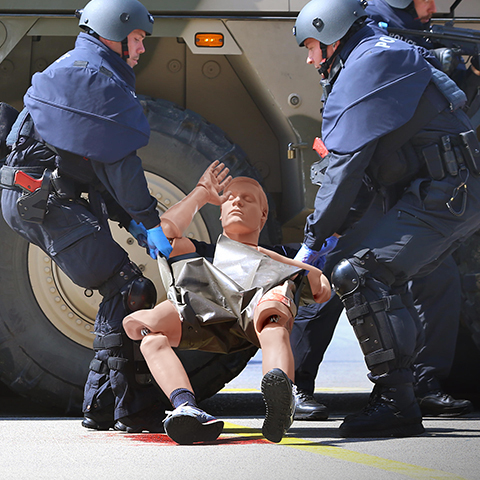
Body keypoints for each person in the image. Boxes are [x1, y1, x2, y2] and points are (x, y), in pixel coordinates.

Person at [292, 0, 480, 437]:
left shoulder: (367, 62)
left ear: (333, 35)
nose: (308, 57)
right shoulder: (376, 50)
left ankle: (397, 404)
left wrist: (313, 239)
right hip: (447, 191)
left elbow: (345, 166)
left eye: (312, 46)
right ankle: (403, 392)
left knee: (359, 274)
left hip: (444, 194)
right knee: (383, 277)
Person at [0, 0, 173, 432]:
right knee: (129, 288)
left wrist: (128, 218)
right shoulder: (95, 77)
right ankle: (130, 410)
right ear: (113, 33)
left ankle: (101, 407)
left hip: (37, 195)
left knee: (121, 285)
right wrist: (149, 220)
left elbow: (90, 166)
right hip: (42, 198)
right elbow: (120, 166)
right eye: (136, 39)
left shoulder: (83, 67)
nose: (140, 50)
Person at [123, 161, 331, 444]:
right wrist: (201, 193)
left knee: (274, 311)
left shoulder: (281, 256)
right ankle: (187, 407)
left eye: (247, 199)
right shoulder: (206, 252)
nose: (236, 203)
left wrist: (297, 267)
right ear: (220, 214)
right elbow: (166, 232)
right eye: (229, 199)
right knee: (150, 334)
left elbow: (321, 290)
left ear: (263, 216)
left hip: (257, 316)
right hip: (209, 316)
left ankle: (281, 394)